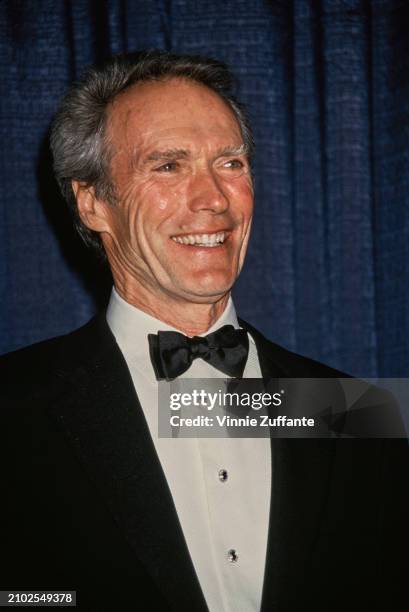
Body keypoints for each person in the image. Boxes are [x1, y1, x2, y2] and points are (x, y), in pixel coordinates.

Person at [0, 50, 407, 612]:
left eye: (232, 163)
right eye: (168, 165)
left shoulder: (357, 410)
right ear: (92, 201)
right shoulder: (12, 410)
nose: (214, 199)